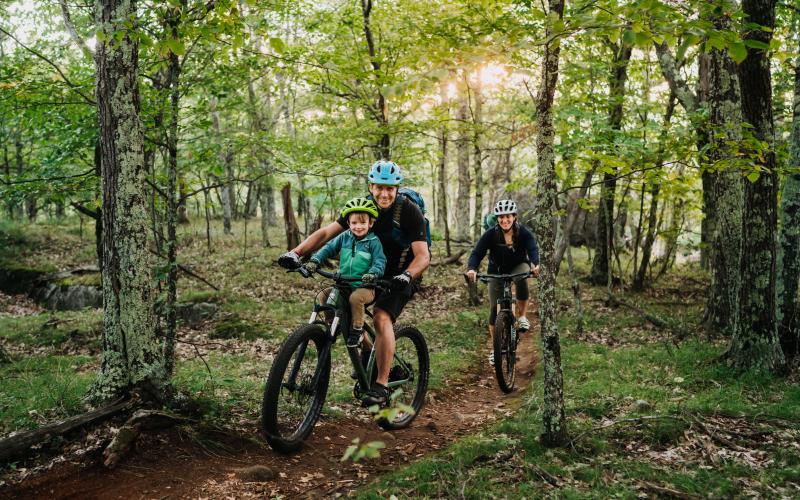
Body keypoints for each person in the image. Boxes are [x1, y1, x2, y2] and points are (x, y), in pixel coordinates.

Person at [279, 160, 430, 406]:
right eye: (379, 187)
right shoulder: (361, 208)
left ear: (397, 188)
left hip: (401, 274)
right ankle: (368, 349)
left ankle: (380, 385)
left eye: (390, 188)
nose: (384, 193)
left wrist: (406, 276)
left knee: (381, 316)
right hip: (364, 272)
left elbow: (423, 256)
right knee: (327, 299)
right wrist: (296, 253)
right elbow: (328, 233)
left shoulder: (409, 211)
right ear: (371, 186)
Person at [303, 197, 386, 348]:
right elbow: (328, 248)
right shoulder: (344, 237)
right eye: (354, 223)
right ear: (348, 223)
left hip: (365, 287)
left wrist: (373, 273)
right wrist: (315, 261)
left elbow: (380, 261)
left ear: (370, 223)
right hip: (343, 284)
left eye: (362, 223)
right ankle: (331, 323)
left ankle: (357, 329)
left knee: (356, 299)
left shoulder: (373, 242)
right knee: (324, 295)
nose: (358, 226)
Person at [466, 199, 540, 347]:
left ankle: (522, 316)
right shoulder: (490, 234)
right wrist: (472, 268)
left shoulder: (523, 232)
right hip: (496, 270)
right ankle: (495, 348)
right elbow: (477, 253)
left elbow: (532, 249)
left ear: (514, 217)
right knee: (494, 309)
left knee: (521, 277)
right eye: (501, 217)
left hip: (519, 265)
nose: (505, 220)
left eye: (508, 216)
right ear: (497, 218)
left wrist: (536, 264)